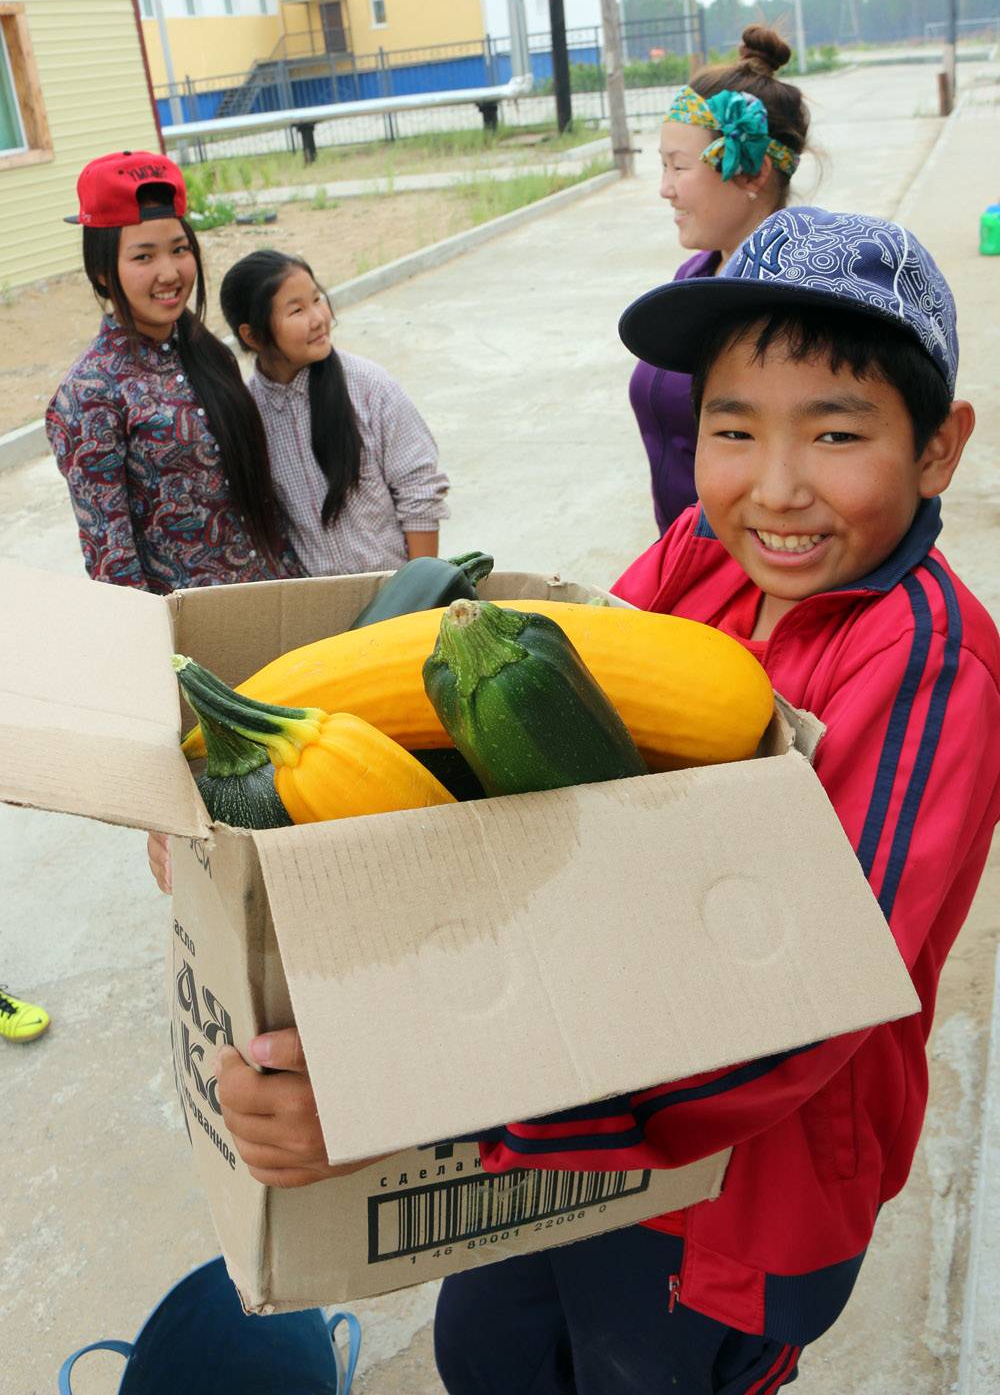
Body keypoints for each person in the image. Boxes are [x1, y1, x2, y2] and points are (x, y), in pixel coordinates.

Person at [212, 207, 1000, 1392]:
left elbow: (809, 1004)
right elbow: (536, 765)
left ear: (937, 449)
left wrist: (422, 1097)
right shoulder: (697, 552)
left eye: (835, 433)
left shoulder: (928, 667)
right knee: (485, 1356)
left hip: (744, 1185)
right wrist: (239, 799)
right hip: (568, 1094)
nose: (775, 487)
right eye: (732, 429)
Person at [47, 150, 306, 593]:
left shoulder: (208, 353)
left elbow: (263, 505)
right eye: (143, 257)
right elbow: (113, 567)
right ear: (102, 271)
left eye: (179, 249)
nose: (169, 273)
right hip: (193, 626)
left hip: (278, 600)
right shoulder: (90, 394)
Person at [632, 25, 811, 537]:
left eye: (678, 167)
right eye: (662, 166)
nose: (665, 189)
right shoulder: (696, 273)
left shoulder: (792, 301)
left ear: (753, 172)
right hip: (687, 551)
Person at [218, 249, 449, 575]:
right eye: (297, 310)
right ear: (252, 336)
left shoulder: (369, 387)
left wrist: (422, 591)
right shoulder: (248, 414)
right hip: (316, 599)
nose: (318, 318)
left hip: (396, 588)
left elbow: (419, 491)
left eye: (317, 299)